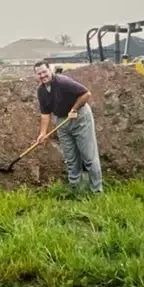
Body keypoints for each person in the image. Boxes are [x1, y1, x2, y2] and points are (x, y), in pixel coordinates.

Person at [34, 61, 103, 193]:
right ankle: (75, 188)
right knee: (70, 158)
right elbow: (45, 114)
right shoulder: (41, 91)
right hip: (62, 122)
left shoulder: (63, 82)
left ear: (50, 70)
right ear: (36, 76)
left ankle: (97, 191)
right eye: (39, 74)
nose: (42, 75)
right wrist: (43, 133)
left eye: (44, 72)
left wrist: (74, 109)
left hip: (80, 117)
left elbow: (86, 94)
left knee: (89, 157)